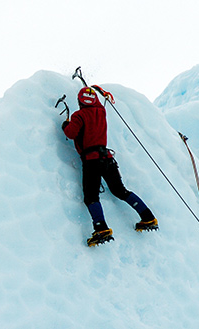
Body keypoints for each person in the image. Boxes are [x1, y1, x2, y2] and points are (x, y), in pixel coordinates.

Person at [62, 86, 158, 246]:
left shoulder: (79, 115)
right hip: (107, 159)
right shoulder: (101, 111)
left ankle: (101, 228)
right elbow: (98, 104)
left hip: (91, 161)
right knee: (121, 191)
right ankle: (148, 217)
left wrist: (65, 124)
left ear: (80, 102)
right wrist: (95, 90)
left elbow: (70, 133)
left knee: (91, 197)